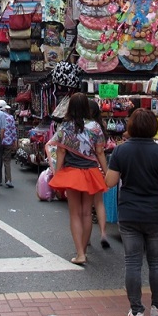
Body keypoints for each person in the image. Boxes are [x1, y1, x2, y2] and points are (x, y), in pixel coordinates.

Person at [105, 108, 158, 316]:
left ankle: (136, 310)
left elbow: (110, 182)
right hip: (155, 213)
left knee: (133, 263)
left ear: (131, 126)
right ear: (154, 128)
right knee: (157, 262)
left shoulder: (120, 151)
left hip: (129, 213)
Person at [48, 92, 108, 266]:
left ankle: (80, 253)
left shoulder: (65, 127)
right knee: (87, 213)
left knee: (74, 214)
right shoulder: (95, 126)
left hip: (71, 173)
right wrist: (106, 173)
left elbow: (60, 151)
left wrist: (57, 173)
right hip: (91, 172)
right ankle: (84, 251)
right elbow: (100, 152)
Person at [88, 99, 111, 249]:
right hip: (99, 168)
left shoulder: (82, 126)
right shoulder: (100, 127)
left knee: (86, 206)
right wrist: (106, 170)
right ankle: (103, 233)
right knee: (99, 202)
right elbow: (101, 152)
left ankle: (87, 237)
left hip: (87, 168)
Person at [0, 100, 18, 189]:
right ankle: (8, 180)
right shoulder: (10, 117)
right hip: (8, 142)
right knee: (7, 161)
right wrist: (15, 141)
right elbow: (13, 131)